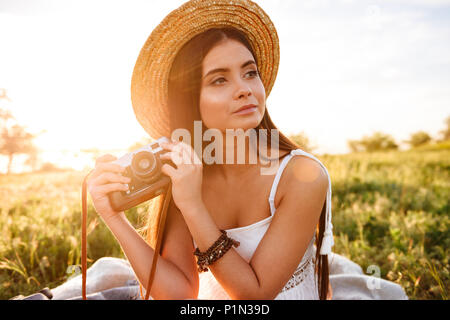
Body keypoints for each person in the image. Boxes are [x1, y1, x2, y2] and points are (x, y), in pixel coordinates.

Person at [85, 0, 333, 300]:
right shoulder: (186, 172)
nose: (244, 88)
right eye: (219, 80)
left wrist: (192, 205)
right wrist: (114, 217)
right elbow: (178, 295)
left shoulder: (303, 175)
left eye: (250, 72)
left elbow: (254, 297)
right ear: (192, 100)